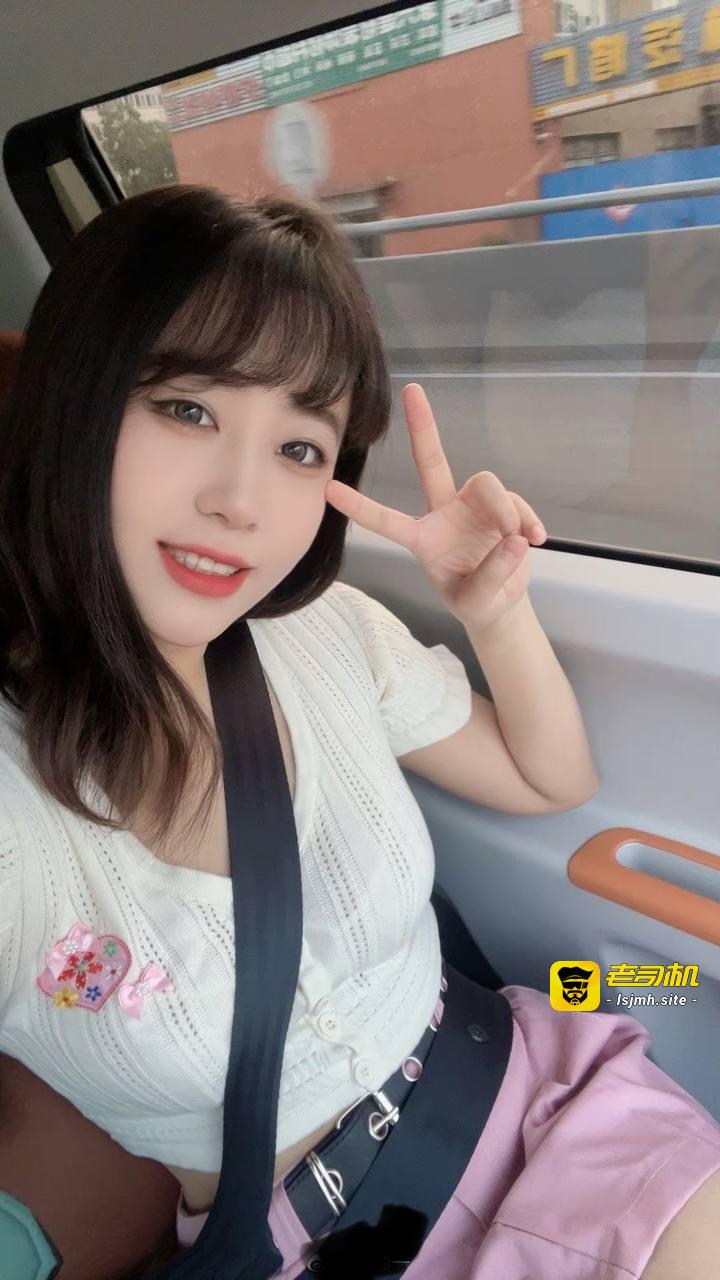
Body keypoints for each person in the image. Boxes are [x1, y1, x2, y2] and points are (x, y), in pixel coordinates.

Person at [0, 184, 717, 1280]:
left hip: (545, 1103)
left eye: (299, 446)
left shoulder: (326, 632)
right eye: (188, 409)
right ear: (74, 403)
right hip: (315, 1237)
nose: (241, 500)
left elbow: (550, 779)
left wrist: (494, 608)